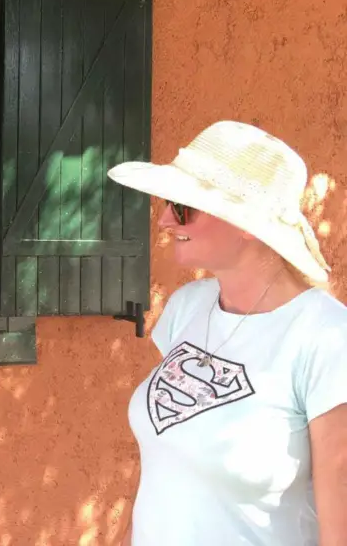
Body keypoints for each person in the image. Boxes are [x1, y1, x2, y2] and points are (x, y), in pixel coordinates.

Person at [107, 120, 347, 545]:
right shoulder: (188, 307)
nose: (164, 219)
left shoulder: (326, 338)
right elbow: (167, 461)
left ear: (245, 223)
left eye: (183, 206)